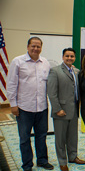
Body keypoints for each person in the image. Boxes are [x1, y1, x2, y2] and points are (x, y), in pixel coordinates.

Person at [6, 37, 54, 171]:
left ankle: (42, 160)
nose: (35, 49)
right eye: (33, 46)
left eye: (38, 46)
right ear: (27, 47)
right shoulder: (17, 62)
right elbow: (11, 84)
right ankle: (27, 165)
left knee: (41, 136)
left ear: (41, 48)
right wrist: (13, 104)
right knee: (24, 138)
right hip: (24, 108)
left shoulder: (45, 62)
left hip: (42, 107)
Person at [47, 48, 85, 171]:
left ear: (75, 58)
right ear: (63, 57)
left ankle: (73, 156)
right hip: (61, 111)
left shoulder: (76, 71)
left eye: (72, 56)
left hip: (74, 110)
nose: (70, 58)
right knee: (60, 139)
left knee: (72, 136)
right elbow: (51, 93)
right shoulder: (55, 71)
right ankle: (62, 161)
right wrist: (57, 109)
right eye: (67, 56)